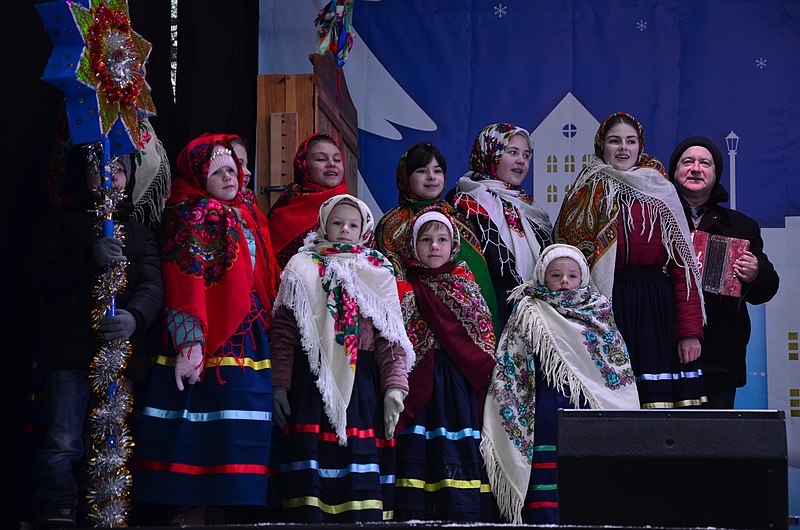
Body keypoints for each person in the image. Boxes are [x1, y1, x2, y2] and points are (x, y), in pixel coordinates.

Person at [130, 133, 281, 526]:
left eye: (233, 169)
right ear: (200, 176)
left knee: (235, 428)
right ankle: (189, 510)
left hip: (246, 333)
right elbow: (184, 280)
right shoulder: (190, 213)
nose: (231, 177)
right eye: (219, 172)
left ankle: (220, 510)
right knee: (196, 424)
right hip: (203, 337)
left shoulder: (246, 212)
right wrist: (190, 344)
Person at [31, 145, 163, 529]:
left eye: (119, 169)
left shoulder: (141, 233)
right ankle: (57, 508)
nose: (110, 177)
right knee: (63, 440)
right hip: (70, 350)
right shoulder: (60, 223)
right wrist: (89, 257)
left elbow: (152, 287)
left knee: (109, 442)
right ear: (79, 174)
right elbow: (42, 276)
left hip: (119, 352)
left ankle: (105, 511)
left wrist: (134, 318)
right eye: (98, 169)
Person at [269, 194, 413, 523]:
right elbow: (284, 334)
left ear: (364, 228)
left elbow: (390, 338)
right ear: (323, 224)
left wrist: (394, 388)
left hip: (361, 388)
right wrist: (279, 384)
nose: (345, 229)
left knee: (358, 486)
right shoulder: (301, 267)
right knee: (313, 479)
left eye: (352, 224)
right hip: (312, 385)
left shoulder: (377, 270)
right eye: (337, 223)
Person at [552, 112, 706, 409]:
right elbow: (565, 265)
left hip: (655, 310)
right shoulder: (584, 192)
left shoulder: (660, 191)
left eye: (630, 141)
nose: (623, 148)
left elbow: (683, 268)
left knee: (658, 411)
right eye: (614, 141)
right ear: (601, 147)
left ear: (640, 146)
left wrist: (689, 332)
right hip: (604, 310)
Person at [480, 244, 639, 524]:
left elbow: (614, 370)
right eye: (556, 275)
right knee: (547, 484)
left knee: (588, 484)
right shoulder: (528, 310)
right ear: (543, 277)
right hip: (546, 410)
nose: (564, 281)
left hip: (588, 412)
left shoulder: (599, 311)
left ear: (583, 278)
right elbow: (512, 363)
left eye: (571, 275)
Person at [392, 210, 498, 522]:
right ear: (413, 246)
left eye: (441, 240)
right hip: (417, 382)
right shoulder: (402, 287)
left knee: (456, 443)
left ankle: (460, 512)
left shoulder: (465, 284)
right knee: (418, 446)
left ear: (454, 245)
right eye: (425, 240)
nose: (434, 247)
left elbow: (482, 335)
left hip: (456, 382)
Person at [668, 136, 779, 408]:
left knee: (714, 442)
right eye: (687, 162)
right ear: (674, 172)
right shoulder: (652, 218)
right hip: (663, 352)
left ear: (715, 174)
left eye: (705, 163)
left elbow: (767, 288)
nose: (696, 168)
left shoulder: (741, 226)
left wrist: (756, 273)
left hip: (719, 358)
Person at [375, 141, 500, 332]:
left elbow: (479, 275)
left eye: (438, 170)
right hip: (417, 325)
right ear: (405, 177)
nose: (431, 177)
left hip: (466, 326)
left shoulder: (457, 219)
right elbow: (387, 281)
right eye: (422, 171)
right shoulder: (391, 225)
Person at [450, 123, 552, 327]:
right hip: (490, 310)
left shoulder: (530, 207)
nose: (521, 161)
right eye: (512, 152)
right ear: (490, 154)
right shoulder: (465, 203)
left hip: (537, 313)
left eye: (526, 155)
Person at [267, 133, 349, 269]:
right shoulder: (288, 204)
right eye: (321, 159)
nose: (332, 164)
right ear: (304, 165)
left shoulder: (353, 206)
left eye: (337, 159)